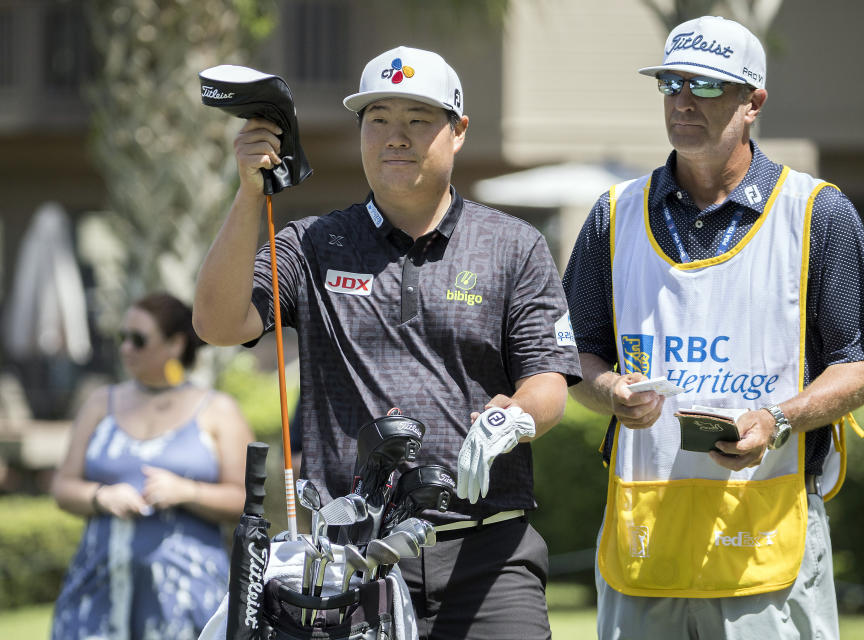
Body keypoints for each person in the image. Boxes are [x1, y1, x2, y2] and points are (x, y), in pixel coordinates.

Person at [193, 45, 581, 639]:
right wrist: (250, 192)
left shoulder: (514, 245)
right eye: (378, 120)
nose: (395, 137)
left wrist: (519, 417)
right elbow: (218, 324)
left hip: (486, 552)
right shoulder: (315, 242)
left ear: (458, 132)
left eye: (417, 121)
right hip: (347, 561)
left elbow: (548, 376)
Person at [562, 16, 864, 640]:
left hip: (768, 538)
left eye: (707, 86)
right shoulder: (612, 216)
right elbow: (574, 358)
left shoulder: (819, 212)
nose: (683, 101)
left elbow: (858, 369)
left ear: (754, 101)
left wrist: (778, 420)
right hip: (644, 539)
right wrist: (607, 391)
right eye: (671, 82)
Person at [50, 292, 254, 640]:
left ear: (175, 344)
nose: (126, 348)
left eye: (139, 339)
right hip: (98, 595)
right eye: (122, 338)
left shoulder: (218, 410)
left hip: (189, 601)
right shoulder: (101, 402)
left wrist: (186, 491)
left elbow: (248, 502)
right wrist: (101, 496)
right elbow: (62, 487)